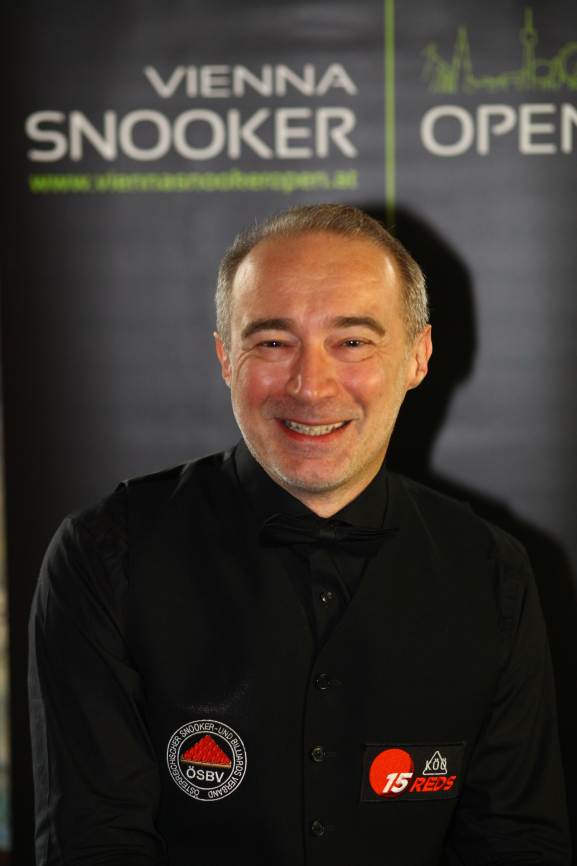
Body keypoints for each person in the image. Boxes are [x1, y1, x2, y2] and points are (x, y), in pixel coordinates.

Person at [29, 204, 571, 866]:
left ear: (417, 356)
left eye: (352, 342)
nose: (310, 387)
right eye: (272, 343)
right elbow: (94, 844)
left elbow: (517, 841)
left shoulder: (491, 571)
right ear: (226, 357)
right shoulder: (105, 555)